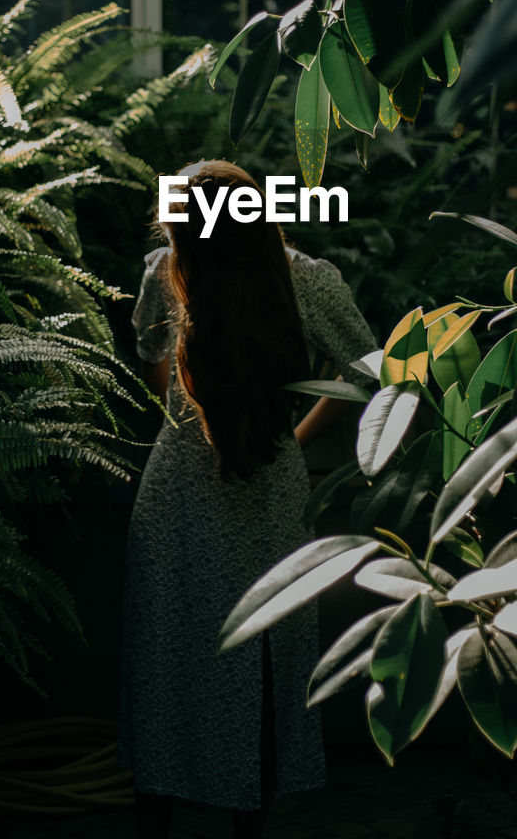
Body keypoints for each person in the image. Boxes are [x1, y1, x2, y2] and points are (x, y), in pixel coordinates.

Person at [118, 160, 376, 838]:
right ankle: (246, 827)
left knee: (165, 657)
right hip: (269, 480)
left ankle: (157, 819)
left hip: (177, 479)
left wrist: (194, 414)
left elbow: (154, 365)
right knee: (264, 656)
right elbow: (370, 374)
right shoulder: (308, 281)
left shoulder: (162, 271)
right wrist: (294, 428)